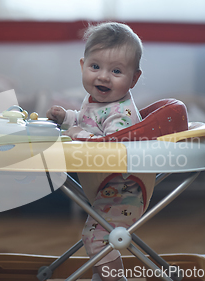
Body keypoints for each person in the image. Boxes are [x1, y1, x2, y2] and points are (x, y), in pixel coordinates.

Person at [47, 22, 145, 281]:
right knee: (97, 237)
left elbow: (110, 145)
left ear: (134, 78)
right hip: (106, 186)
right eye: (95, 67)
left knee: (97, 237)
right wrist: (67, 118)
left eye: (116, 71)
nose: (103, 76)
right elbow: (86, 120)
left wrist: (78, 135)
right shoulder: (98, 101)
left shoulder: (120, 113)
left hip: (126, 190)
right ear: (83, 66)